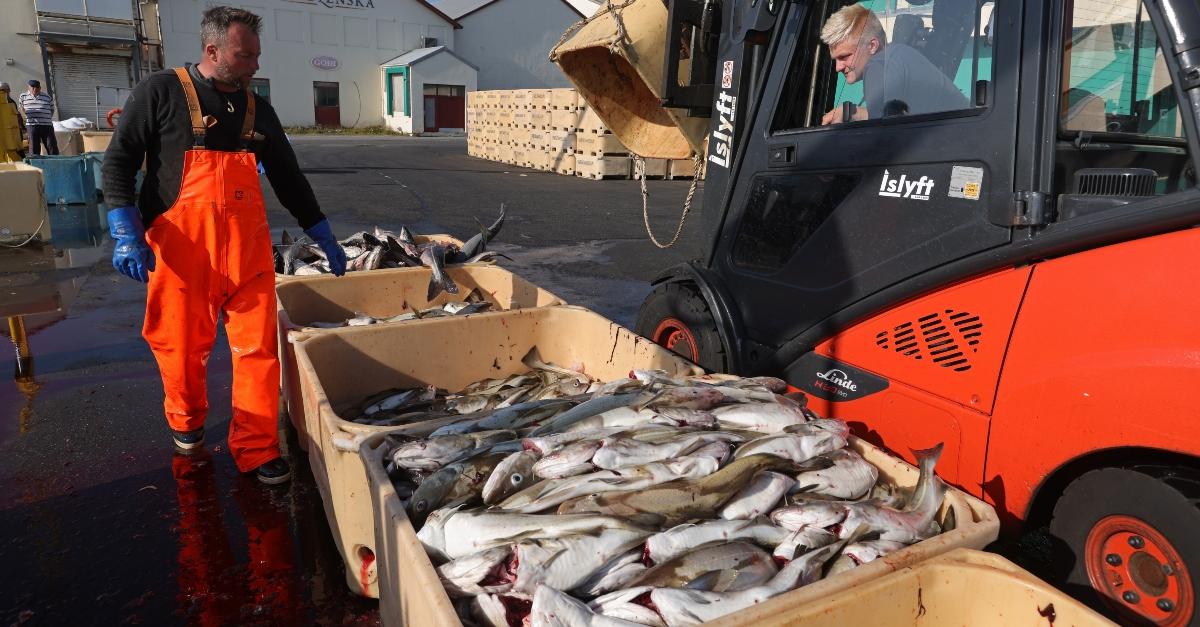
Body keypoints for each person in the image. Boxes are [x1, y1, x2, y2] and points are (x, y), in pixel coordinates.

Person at [101, 5, 348, 484]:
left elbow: (288, 178)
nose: (255, 64)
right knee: (179, 347)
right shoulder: (161, 92)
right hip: (179, 252)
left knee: (258, 351)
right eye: (245, 54)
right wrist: (125, 230)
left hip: (247, 255)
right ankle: (186, 424)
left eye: (257, 54)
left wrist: (319, 229)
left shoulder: (258, 109)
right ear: (212, 51)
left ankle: (257, 448)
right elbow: (119, 162)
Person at [820, 3, 967, 125]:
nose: (838, 67)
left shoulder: (879, 65)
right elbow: (893, 119)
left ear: (872, 46)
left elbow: (882, 137)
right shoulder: (899, 56)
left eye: (844, 56)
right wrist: (854, 114)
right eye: (835, 59)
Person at [18, 79, 58, 155]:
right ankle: (35, 164)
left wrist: (46, 118)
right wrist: (26, 116)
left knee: (51, 146)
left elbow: (52, 109)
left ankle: (55, 162)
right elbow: (21, 108)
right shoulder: (23, 96)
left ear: (40, 88)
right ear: (28, 87)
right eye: (32, 87)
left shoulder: (47, 97)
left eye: (37, 87)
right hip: (32, 125)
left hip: (47, 125)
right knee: (34, 147)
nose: (35, 89)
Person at [0, 82, 26, 160]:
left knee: (18, 150)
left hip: (15, 132)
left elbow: (18, 116)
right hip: (5, 135)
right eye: (3, 91)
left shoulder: (12, 101)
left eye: (7, 90)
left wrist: (23, 128)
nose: (7, 92)